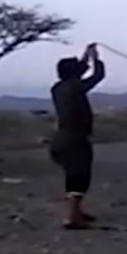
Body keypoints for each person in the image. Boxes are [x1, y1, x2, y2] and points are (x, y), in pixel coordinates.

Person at [49, 43, 106, 229]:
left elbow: (76, 72)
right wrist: (96, 58)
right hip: (75, 140)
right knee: (80, 178)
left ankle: (77, 212)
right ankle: (72, 217)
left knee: (72, 176)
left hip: (61, 139)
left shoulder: (58, 88)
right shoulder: (75, 87)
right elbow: (98, 76)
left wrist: (86, 56)